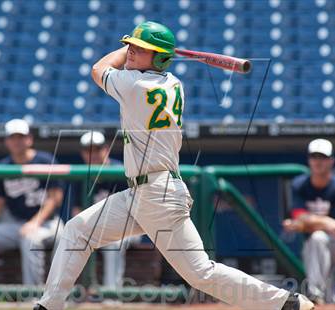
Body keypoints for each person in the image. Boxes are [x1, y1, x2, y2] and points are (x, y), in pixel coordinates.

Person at [34, 21, 314, 310]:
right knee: (77, 230)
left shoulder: (135, 84)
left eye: (139, 49)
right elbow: (131, 66)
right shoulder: (172, 82)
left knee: (200, 273)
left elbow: (97, 69)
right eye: (130, 46)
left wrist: (124, 49)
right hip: (142, 193)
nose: (130, 51)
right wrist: (144, 49)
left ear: (159, 57)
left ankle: (285, 303)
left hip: (158, 195)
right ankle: (48, 305)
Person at [0, 119, 64, 285]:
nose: (17, 141)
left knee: (30, 239)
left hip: (47, 223)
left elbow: (55, 198)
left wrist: (35, 222)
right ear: (6, 141)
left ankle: (32, 294)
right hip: (15, 224)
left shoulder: (45, 160)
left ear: (29, 139)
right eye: (13, 137)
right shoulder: (4, 166)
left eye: (21, 137)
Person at [283, 138, 335, 304]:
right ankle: (328, 301)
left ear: (331, 161)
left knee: (317, 239)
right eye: (314, 157)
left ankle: (315, 295)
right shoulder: (299, 185)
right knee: (317, 250)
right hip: (317, 245)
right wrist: (324, 221)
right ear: (309, 160)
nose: (318, 161)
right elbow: (298, 216)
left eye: (322, 157)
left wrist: (306, 223)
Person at [73, 130, 140, 288]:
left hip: (128, 227)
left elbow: (135, 211)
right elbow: (76, 210)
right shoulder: (81, 174)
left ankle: (112, 294)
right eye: (88, 150)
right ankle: (78, 292)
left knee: (114, 243)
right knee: (72, 237)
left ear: (106, 149)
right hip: (95, 228)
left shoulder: (123, 171)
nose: (93, 154)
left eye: (97, 149)